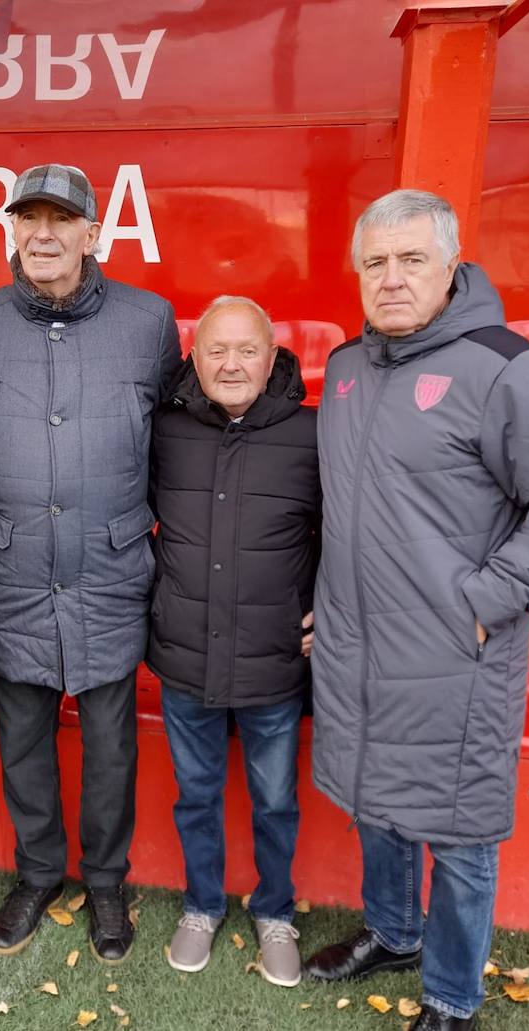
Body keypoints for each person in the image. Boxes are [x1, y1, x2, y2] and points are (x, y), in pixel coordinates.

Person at [303, 189, 529, 1031]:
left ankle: (451, 994)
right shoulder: (343, 370)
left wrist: (484, 601)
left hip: (455, 652)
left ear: (451, 266)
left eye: (412, 260)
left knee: (463, 832)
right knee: (376, 796)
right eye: (376, 262)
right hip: (357, 645)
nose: (392, 278)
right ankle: (394, 929)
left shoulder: (508, 369)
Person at [0, 164, 181, 964]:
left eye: (61, 218)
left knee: (113, 744)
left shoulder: (150, 321)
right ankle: (40, 870)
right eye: (28, 218)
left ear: (91, 233)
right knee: (22, 739)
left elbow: (171, 444)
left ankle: (107, 880)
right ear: (12, 230)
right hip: (12, 569)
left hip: (111, 570)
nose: (42, 233)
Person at [146, 296, 319, 985]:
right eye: (216, 349)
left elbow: (343, 533)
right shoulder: (166, 429)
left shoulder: (312, 434)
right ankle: (202, 904)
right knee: (196, 793)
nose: (231, 363)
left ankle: (275, 911)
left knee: (275, 798)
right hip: (185, 653)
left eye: (248, 349)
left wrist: (325, 608)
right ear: (194, 356)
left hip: (274, 659)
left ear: (273, 358)